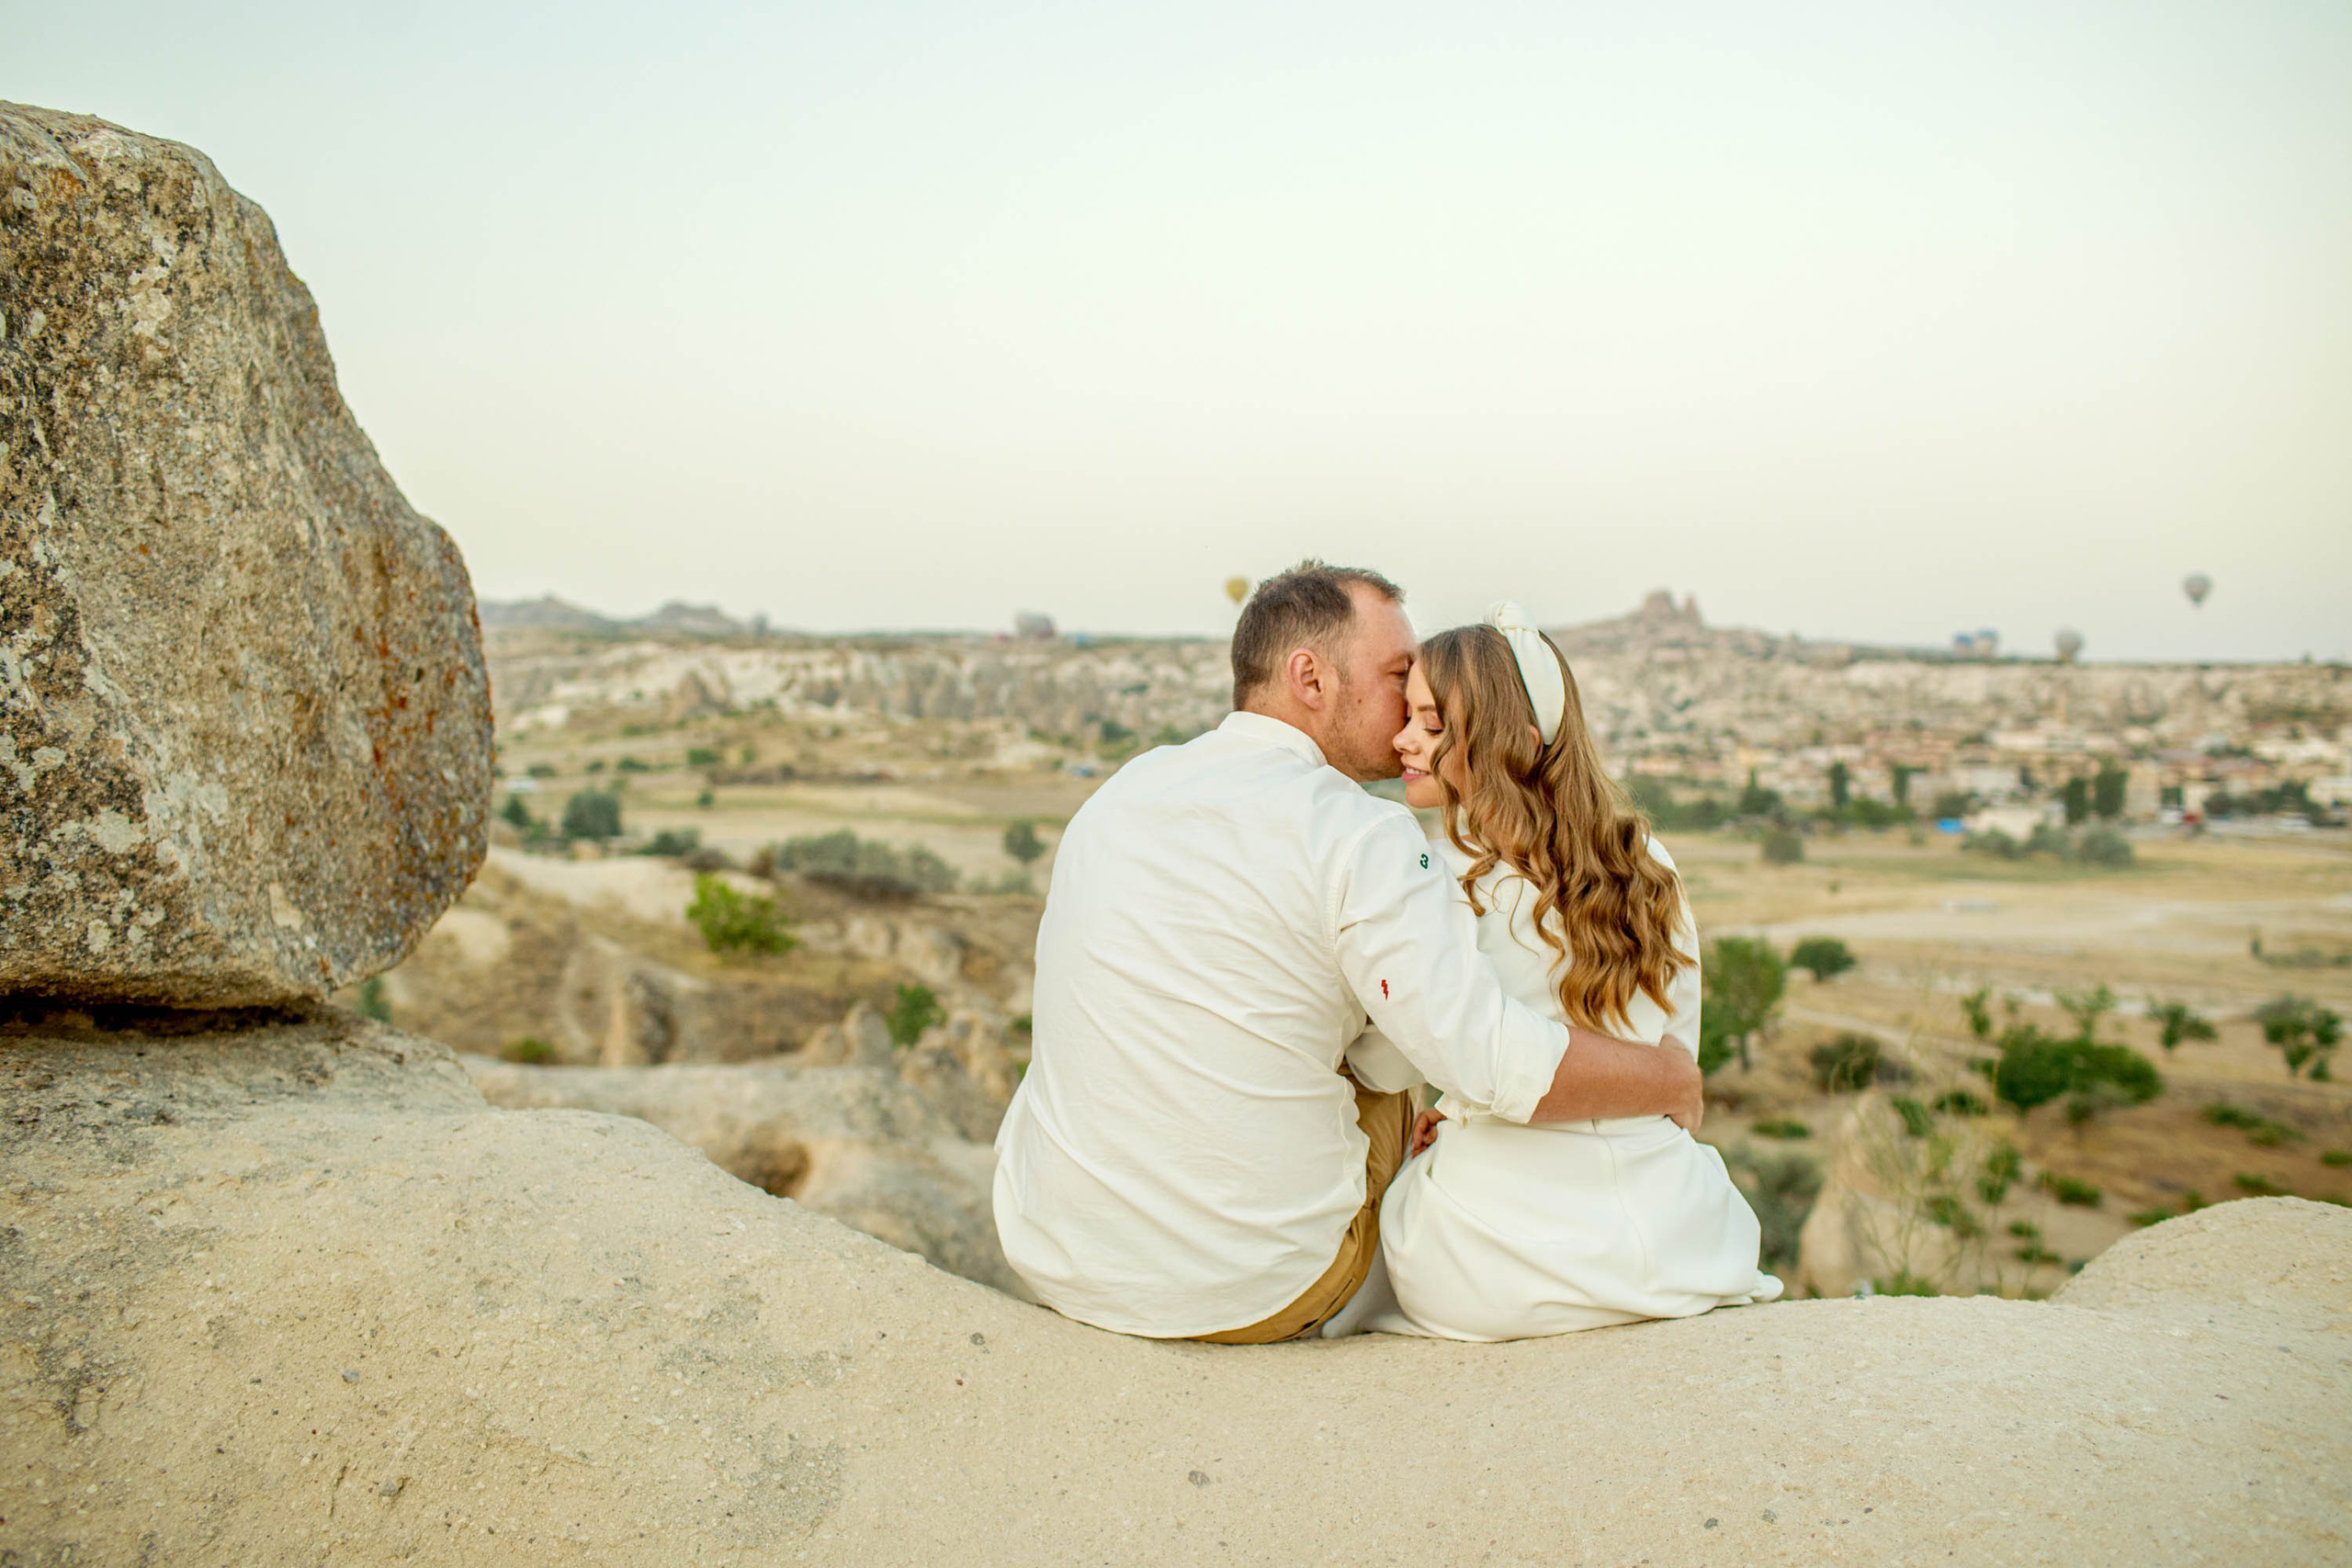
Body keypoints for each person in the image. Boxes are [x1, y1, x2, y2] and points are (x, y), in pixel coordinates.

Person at [991, 562, 1702, 1342]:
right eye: (1398, 675)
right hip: (1251, 1290)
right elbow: (1481, 1057)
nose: (1407, 709)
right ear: (1311, 678)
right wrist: (1669, 1077)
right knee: (1391, 1040)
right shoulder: (1363, 833)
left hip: (1054, 1251)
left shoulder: (1122, 792)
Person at [1365, 604, 1781, 1340]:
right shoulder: (1645, 864)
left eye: (1432, 725)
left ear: (1514, 745)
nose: (1403, 739)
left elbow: (1395, 1059)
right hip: (1678, 1233)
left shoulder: (1435, 874)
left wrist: (1452, 1106)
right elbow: (1673, 1051)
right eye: (1409, 717)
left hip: (1499, 1251)